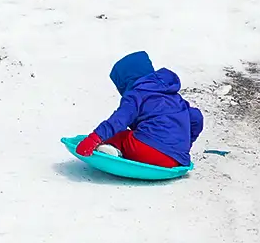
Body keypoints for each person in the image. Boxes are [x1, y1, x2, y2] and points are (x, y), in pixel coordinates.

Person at [72, 51, 204, 169]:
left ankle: (112, 150)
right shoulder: (172, 95)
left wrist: (94, 138)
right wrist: (182, 145)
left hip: (146, 151)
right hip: (176, 159)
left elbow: (119, 120)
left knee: (119, 136)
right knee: (139, 133)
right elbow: (196, 117)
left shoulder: (136, 93)